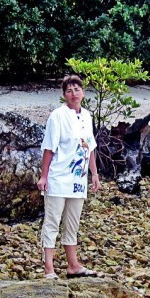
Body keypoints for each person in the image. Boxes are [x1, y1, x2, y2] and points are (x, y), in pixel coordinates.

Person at [36, 74, 101, 279]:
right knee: (52, 221)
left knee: (72, 223)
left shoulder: (87, 116)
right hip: (58, 177)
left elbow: (90, 146)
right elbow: (49, 148)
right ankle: (49, 268)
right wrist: (43, 176)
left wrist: (94, 174)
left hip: (78, 180)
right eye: (69, 90)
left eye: (77, 89)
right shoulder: (58, 116)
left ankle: (73, 265)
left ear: (83, 92)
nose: (74, 94)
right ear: (64, 95)